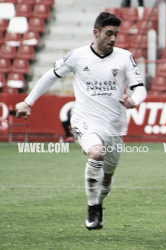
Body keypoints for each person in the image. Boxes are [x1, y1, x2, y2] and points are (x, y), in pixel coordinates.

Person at [15, 12, 147, 231]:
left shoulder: (124, 57)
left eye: (116, 34)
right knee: (96, 153)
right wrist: (28, 102)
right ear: (96, 32)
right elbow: (51, 75)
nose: (113, 39)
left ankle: (99, 202)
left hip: (114, 126)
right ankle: (93, 208)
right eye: (108, 34)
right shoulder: (78, 56)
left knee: (107, 177)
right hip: (85, 121)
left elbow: (140, 88)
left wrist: (135, 100)